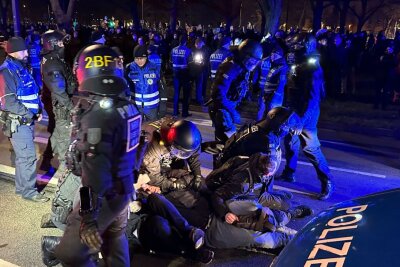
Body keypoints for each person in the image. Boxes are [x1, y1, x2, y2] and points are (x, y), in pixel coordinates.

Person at [41, 45, 142, 266]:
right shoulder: (128, 106)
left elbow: (94, 172)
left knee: (70, 253)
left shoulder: (97, 115)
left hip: (102, 198)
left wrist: (88, 216)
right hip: (123, 192)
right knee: (115, 244)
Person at [278, 33, 334, 201]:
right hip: (294, 110)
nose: (293, 50)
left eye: (297, 47)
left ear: (307, 46)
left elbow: (312, 99)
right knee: (290, 142)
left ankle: (327, 182)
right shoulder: (300, 63)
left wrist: (300, 122)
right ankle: (289, 173)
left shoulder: (313, 67)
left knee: (311, 148)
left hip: (306, 114)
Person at [0, 37, 49, 202]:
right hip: (18, 121)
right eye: (24, 50)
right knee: (28, 157)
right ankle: (29, 192)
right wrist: (32, 114)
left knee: (23, 157)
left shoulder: (20, 67)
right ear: (15, 51)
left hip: (24, 121)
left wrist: (39, 109)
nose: (28, 52)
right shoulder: (6, 71)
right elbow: (9, 102)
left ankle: (22, 189)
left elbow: (33, 91)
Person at [207, 39, 263, 142]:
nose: (254, 64)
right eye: (252, 61)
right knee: (227, 144)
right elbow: (218, 94)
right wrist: (233, 111)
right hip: (221, 109)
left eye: (256, 62)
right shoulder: (231, 67)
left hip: (227, 107)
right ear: (244, 55)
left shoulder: (242, 66)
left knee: (224, 142)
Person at [40, 30, 77, 177]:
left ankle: (46, 160)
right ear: (53, 44)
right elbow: (59, 91)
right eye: (60, 43)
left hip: (58, 101)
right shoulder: (52, 64)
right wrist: (72, 108)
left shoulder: (54, 58)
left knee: (56, 132)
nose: (63, 45)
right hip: (61, 104)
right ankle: (64, 172)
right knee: (63, 136)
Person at [126, 45, 166, 122]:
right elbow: (125, 87)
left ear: (146, 57)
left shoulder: (155, 68)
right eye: (136, 59)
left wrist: (163, 105)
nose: (139, 61)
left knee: (152, 130)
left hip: (152, 107)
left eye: (141, 58)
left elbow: (162, 87)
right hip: (136, 107)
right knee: (136, 130)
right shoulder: (129, 68)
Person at [171, 35, 192, 117]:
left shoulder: (173, 50)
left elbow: (170, 62)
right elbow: (190, 64)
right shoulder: (188, 50)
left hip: (175, 73)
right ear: (185, 41)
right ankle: (184, 113)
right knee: (185, 94)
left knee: (176, 93)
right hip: (184, 74)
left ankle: (175, 112)